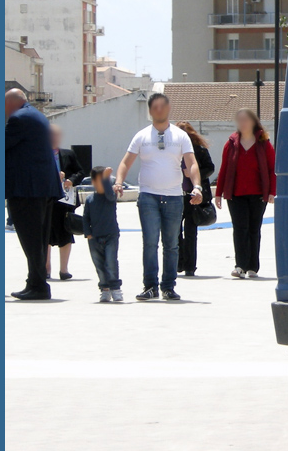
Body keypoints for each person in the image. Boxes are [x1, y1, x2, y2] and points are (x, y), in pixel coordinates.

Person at [115, 93, 204, 301]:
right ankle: (150, 286)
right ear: (150, 110)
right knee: (150, 242)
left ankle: (168, 286)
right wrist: (119, 182)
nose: (159, 110)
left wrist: (197, 186)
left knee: (172, 243)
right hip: (148, 196)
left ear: (168, 108)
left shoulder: (181, 136)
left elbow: (192, 164)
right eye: (154, 107)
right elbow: (125, 162)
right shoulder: (141, 136)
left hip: (173, 196)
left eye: (162, 106)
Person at [5, 89, 63, 300]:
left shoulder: (19, 119)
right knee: (38, 239)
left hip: (27, 190)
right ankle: (36, 283)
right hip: (41, 188)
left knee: (31, 240)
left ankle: (38, 286)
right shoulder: (35, 115)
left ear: (11, 104)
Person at [215, 108, 276, 279]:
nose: (243, 123)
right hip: (236, 194)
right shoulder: (231, 143)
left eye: (246, 120)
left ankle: (252, 267)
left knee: (253, 229)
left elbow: (272, 168)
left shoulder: (264, 142)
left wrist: (272, 192)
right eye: (240, 120)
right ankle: (240, 265)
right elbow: (224, 169)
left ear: (254, 122)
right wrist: (218, 193)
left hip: (258, 194)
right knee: (240, 228)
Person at [176, 121, 215, 277]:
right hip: (176, 195)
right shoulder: (172, 150)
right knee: (175, 232)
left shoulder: (199, 150)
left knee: (191, 231)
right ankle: (179, 263)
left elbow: (210, 167)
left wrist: (194, 173)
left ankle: (190, 266)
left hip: (193, 194)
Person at [48, 123, 85, 280]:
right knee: (46, 235)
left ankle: (64, 269)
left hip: (65, 202)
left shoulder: (68, 154)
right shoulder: (40, 155)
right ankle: (45, 268)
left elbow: (81, 171)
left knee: (65, 233)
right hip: (47, 201)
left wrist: (70, 179)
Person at [83, 167, 122, 302]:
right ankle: (105, 289)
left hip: (111, 235)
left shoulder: (110, 196)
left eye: (106, 180)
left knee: (111, 263)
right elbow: (85, 218)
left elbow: (111, 196)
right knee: (99, 265)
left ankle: (115, 288)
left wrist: (106, 179)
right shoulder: (90, 199)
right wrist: (88, 234)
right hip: (94, 238)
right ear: (93, 181)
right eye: (100, 180)